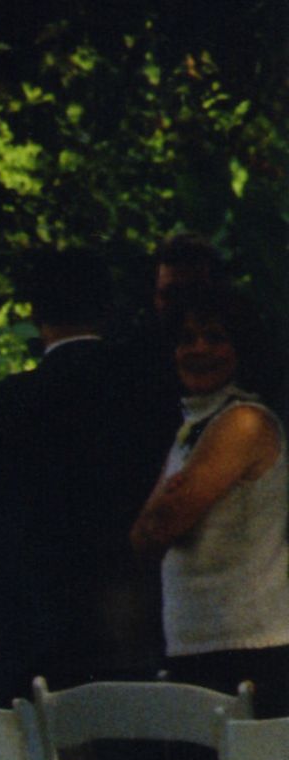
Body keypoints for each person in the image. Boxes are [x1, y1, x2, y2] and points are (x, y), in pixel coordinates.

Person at [0, 248, 174, 704]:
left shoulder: (11, 401)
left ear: (36, 315)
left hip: (36, 622)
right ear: (108, 308)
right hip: (132, 619)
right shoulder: (152, 390)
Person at [129, 285, 289, 714]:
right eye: (186, 339)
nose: (199, 349)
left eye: (216, 337)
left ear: (243, 347)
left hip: (251, 646)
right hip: (196, 645)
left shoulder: (243, 421)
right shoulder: (194, 425)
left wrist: (164, 506)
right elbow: (145, 535)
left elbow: (160, 524)